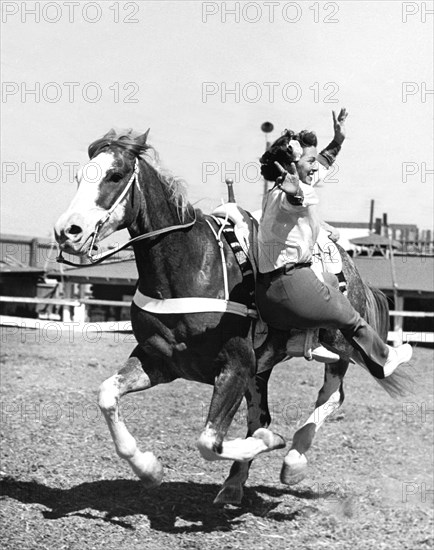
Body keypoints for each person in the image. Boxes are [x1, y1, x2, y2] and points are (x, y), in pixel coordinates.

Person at [256, 109, 412, 379]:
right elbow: (297, 200)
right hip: (291, 287)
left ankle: (304, 338)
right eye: (309, 160)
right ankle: (384, 358)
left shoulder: (281, 188)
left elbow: (323, 162)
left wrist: (338, 139)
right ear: (291, 166)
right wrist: (297, 196)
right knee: (348, 315)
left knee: (326, 273)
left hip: (266, 293)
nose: (315, 165)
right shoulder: (291, 193)